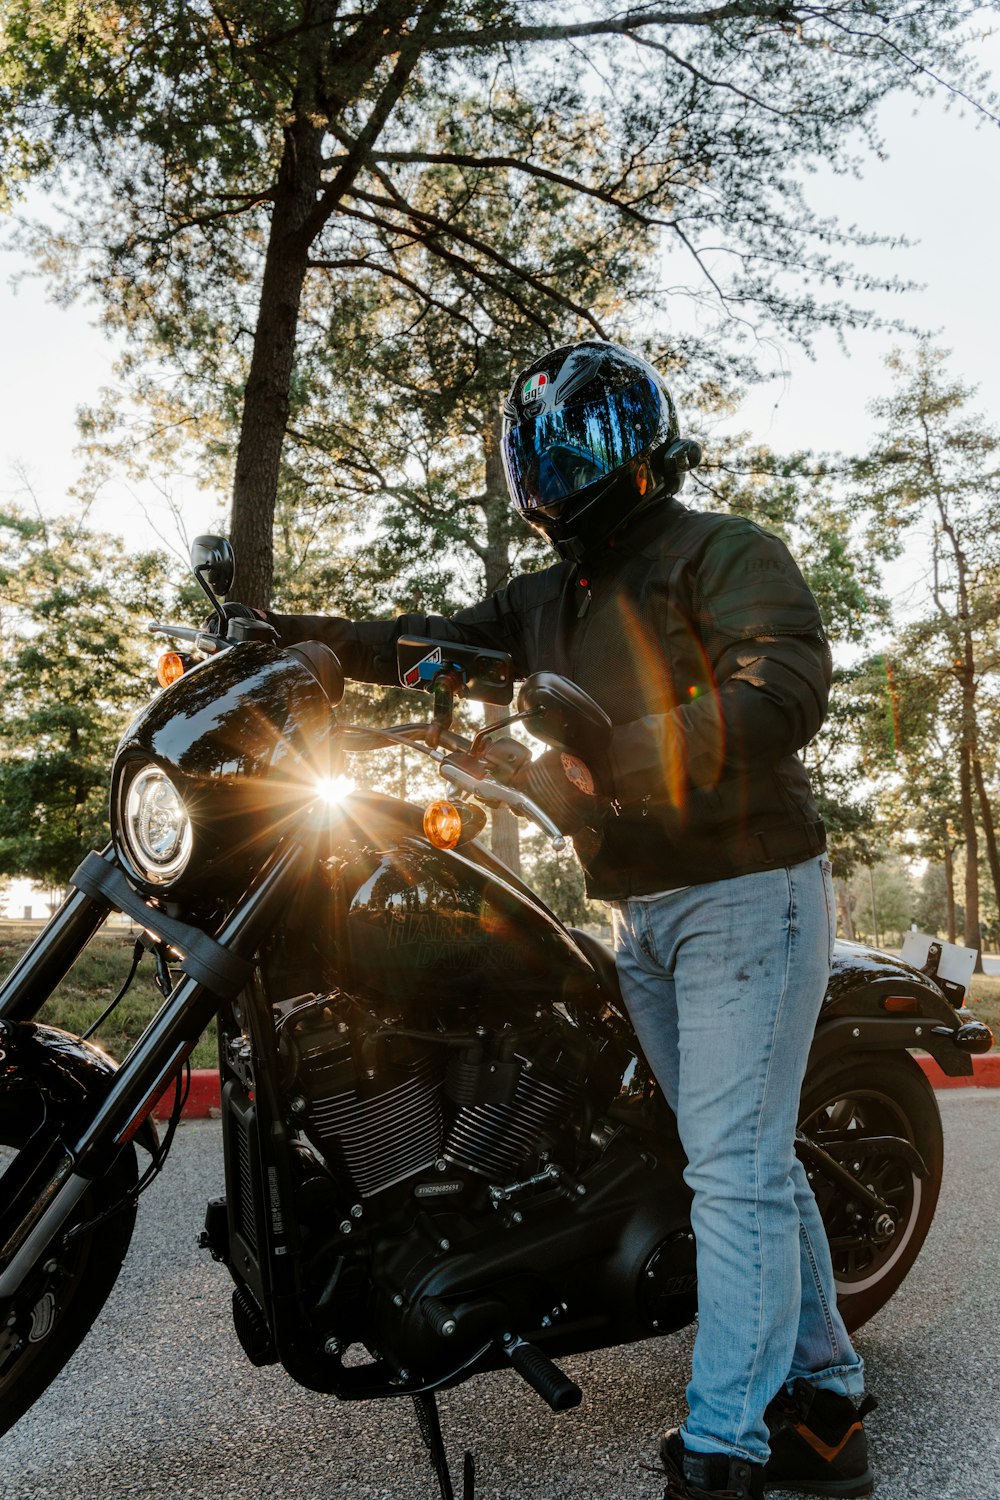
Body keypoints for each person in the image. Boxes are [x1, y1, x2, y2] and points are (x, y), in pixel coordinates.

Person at [266, 340, 876, 1500]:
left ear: (635, 442)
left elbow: (779, 688)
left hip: (750, 892)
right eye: (532, 453)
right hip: (646, 912)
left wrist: (619, 756)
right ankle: (829, 1384)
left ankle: (729, 1448)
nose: (546, 474)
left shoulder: (722, 551)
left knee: (733, 1170)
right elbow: (434, 638)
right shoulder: (550, 596)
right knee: (743, 1160)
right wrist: (306, 637)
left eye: (568, 448)